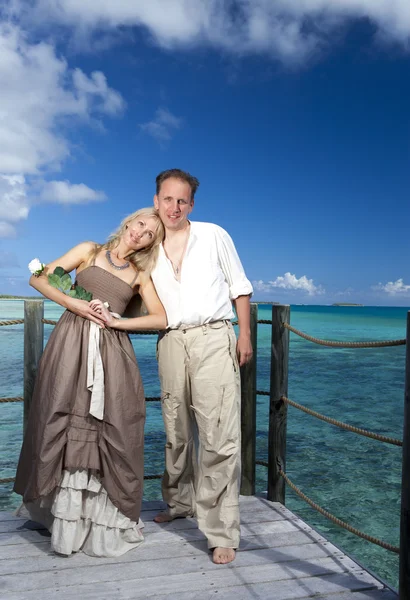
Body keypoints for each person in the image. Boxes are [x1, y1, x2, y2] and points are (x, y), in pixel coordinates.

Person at [14, 207, 167, 557]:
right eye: (140, 224)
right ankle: (61, 518)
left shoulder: (141, 275)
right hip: (70, 344)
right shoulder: (88, 250)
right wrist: (74, 304)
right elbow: (38, 277)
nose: (141, 233)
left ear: (150, 243)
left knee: (111, 426)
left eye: (149, 234)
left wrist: (116, 323)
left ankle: (96, 520)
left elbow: (160, 318)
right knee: (59, 415)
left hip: (112, 354)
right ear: (129, 221)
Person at [150, 169, 253, 565]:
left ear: (191, 204)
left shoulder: (214, 234)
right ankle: (179, 502)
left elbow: (239, 287)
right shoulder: (148, 245)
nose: (174, 207)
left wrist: (244, 334)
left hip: (213, 336)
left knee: (218, 436)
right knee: (175, 429)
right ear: (156, 201)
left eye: (182, 200)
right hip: (172, 340)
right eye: (167, 199)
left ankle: (221, 531)